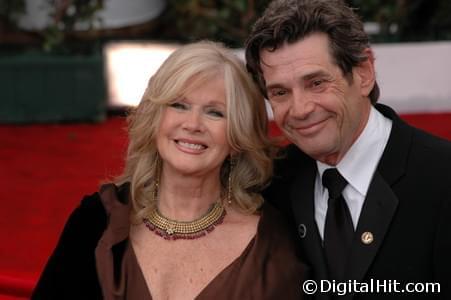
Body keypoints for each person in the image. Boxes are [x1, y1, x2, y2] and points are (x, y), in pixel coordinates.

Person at [32, 41, 306, 299]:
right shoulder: (96, 221)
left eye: (215, 113)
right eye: (179, 105)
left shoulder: (269, 246)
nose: (192, 124)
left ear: (237, 138)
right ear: (155, 120)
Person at [245, 0, 451, 299]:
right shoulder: (272, 185)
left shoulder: (442, 178)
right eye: (280, 92)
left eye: (316, 83)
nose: (299, 109)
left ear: (364, 73)